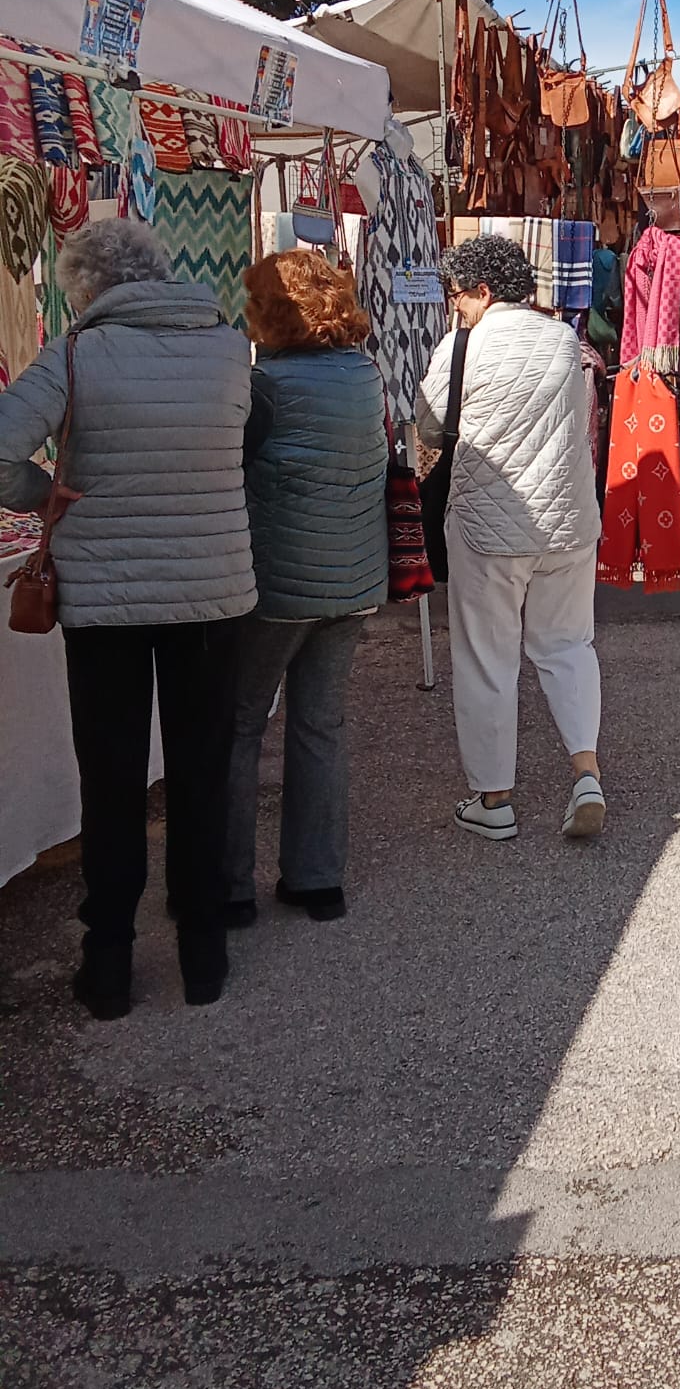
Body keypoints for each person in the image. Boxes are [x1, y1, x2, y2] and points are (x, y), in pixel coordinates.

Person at [0, 222, 255, 1017]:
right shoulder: (225, 346)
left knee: (111, 781)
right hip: (213, 590)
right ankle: (203, 953)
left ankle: (108, 963)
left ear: (86, 288)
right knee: (200, 767)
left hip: (105, 598)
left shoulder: (74, 354)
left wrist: (42, 496)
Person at [417, 235, 606, 843]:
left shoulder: (463, 345)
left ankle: (494, 801)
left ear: (483, 290)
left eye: (459, 296)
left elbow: (428, 422)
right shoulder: (564, 341)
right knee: (569, 645)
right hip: (570, 522)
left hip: (489, 526)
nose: (456, 308)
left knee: (486, 658)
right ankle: (586, 772)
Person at [225, 251, 388, 927]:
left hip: (279, 582)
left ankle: (230, 888)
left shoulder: (264, 387)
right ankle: (318, 879)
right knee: (320, 725)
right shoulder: (365, 374)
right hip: (352, 578)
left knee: (237, 727)